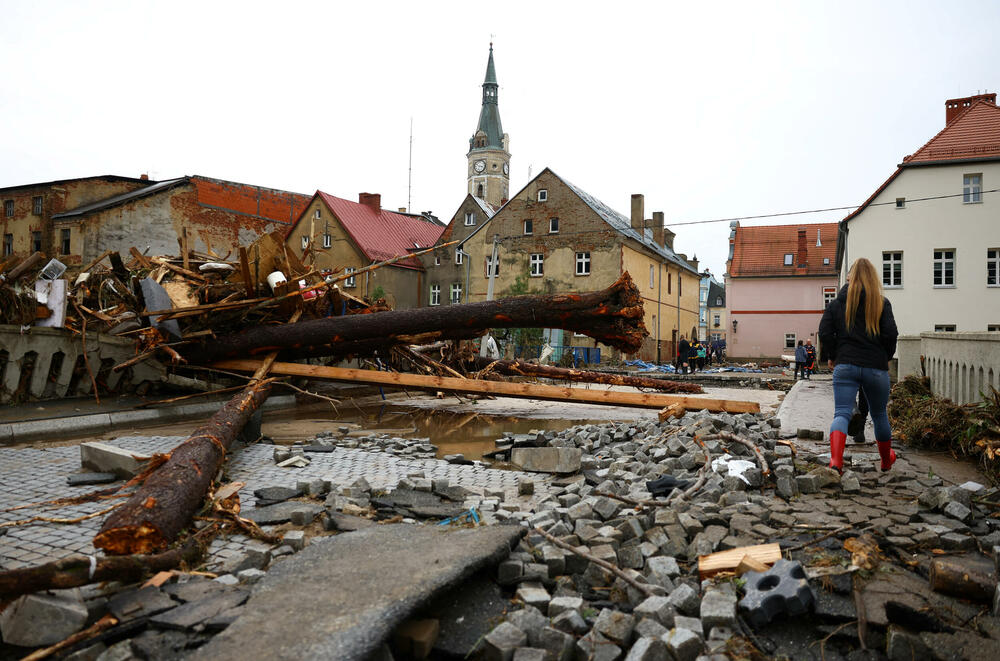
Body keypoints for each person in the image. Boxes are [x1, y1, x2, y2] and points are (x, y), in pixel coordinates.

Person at [818, 258, 899, 473]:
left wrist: (834, 355)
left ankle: (836, 461)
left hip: (845, 364)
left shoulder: (837, 303)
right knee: (880, 414)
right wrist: (886, 357)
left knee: (842, 413)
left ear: (849, 278)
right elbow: (891, 334)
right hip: (876, 367)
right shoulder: (882, 303)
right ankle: (885, 461)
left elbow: (824, 332)